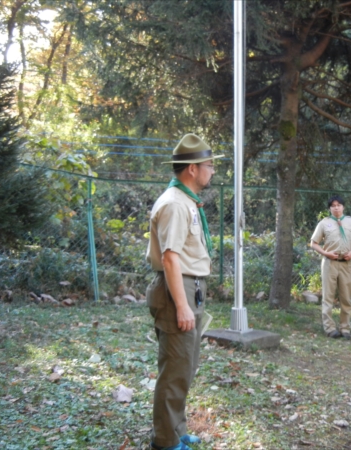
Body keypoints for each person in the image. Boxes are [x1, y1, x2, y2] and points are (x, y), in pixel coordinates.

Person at [145, 133, 223, 450]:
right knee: (175, 370)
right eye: (208, 165)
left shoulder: (186, 201)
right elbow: (169, 258)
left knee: (185, 366)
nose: (212, 170)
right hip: (179, 289)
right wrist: (181, 305)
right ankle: (165, 441)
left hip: (191, 288)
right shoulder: (175, 204)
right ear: (192, 168)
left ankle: (175, 430)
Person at [311, 195, 351, 339]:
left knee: (346, 297)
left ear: (343, 207)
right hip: (330, 263)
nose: (336, 207)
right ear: (330, 208)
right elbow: (314, 243)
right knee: (328, 296)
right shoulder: (324, 223)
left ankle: (345, 328)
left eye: (339, 205)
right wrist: (326, 253)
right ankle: (329, 328)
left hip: (346, 264)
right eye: (333, 205)